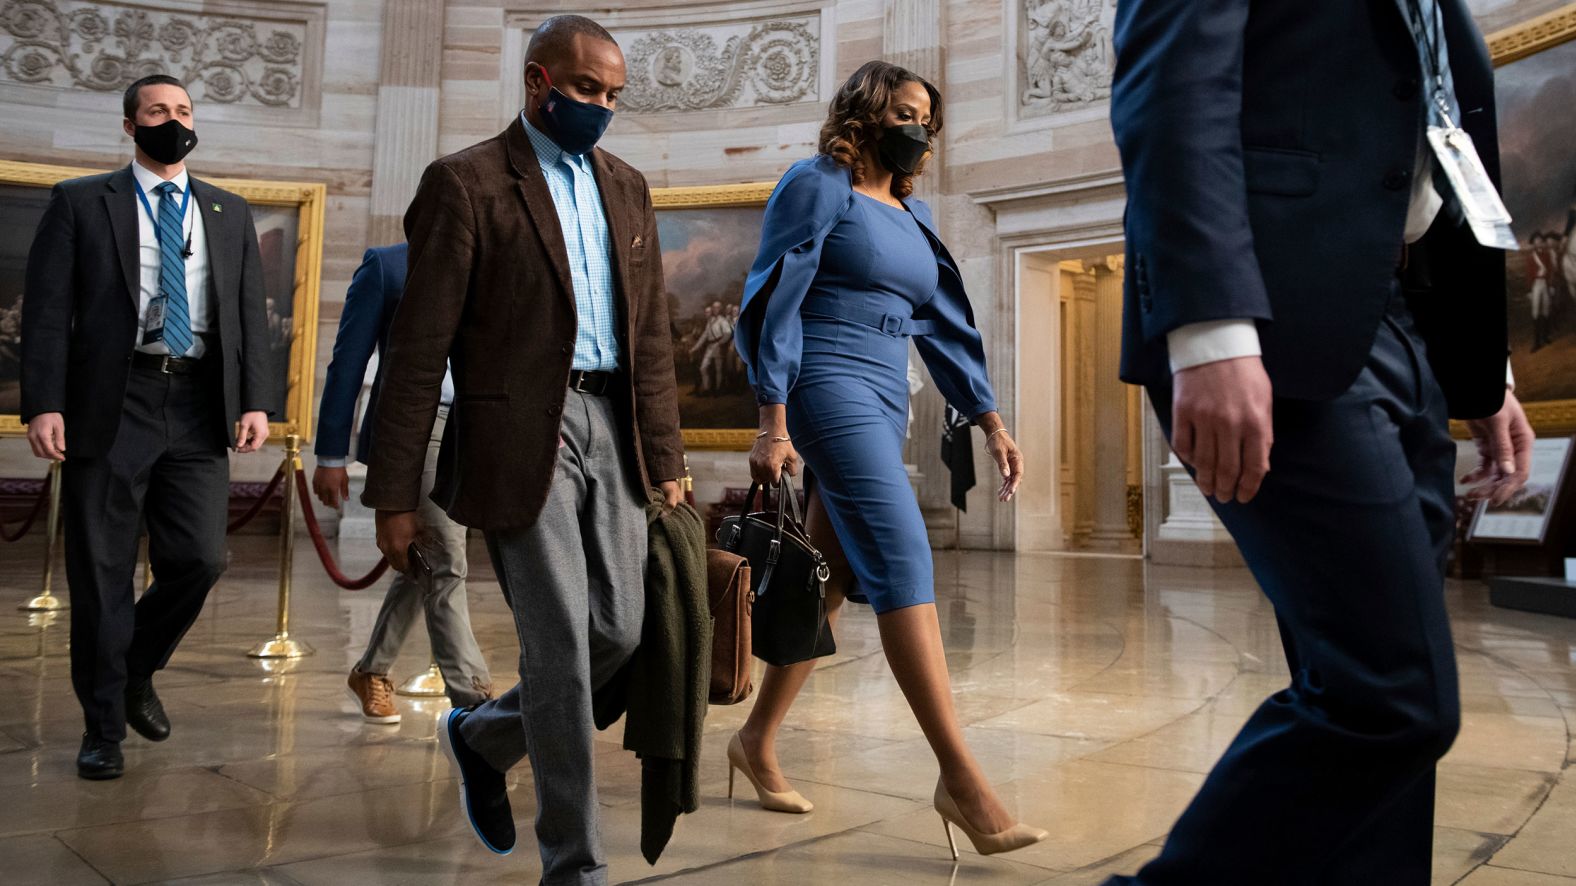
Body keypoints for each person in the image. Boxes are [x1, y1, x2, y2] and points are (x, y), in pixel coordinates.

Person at [1106, 0, 1532, 882]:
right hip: (1268, 315)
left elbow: (1437, 122)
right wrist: (1212, 326)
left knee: (1364, 694)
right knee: (1392, 697)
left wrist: (1480, 371)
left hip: (1400, 317)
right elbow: (1173, 89)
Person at [361, 15, 685, 884]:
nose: (601, 107)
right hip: (517, 439)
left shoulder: (628, 186)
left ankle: (482, 736)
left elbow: (650, 332)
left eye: (614, 95)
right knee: (563, 657)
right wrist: (395, 495)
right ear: (539, 80)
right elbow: (418, 350)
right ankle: (574, 865)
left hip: (614, 429)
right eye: (586, 89)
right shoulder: (463, 183)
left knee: (619, 629)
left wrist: (668, 454)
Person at [733, 60, 1046, 859]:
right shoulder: (818, 184)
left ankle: (756, 740)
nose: (920, 131)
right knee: (904, 553)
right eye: (906, 113)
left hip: (886, 391)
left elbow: (943, 321)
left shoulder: (912, 212)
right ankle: (960, 777)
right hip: (825, 381)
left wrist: (991, 420)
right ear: (867, 114)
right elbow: (773, 300)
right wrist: (773, 420)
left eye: (928, 121)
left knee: (831, 572)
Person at [21, 74, 276, 781]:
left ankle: (134, 667)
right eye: (158, 111)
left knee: (202, 559)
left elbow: (248, 314)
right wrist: (44, 403)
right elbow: (46, 312)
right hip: (113, 401)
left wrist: (256, 399)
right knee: (101, 574)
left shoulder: (227, 209)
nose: (174, 121)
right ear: (130, 126)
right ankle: (102, 729)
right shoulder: (80, 201)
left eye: (184, 111)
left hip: (197, 404)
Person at [313, 243, 493, 722]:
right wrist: (331, 454)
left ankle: (372, 669)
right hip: (419, 425)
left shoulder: (498, 257)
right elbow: (347, 363)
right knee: (447, 561)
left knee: (425, 559)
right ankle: (475, 703)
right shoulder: (388, 265)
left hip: (480, 428)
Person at [1528, 232, 1552, 350]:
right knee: (1536, 311)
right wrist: (1529, 290)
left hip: (1545, 284)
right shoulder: (1531, 256)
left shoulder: (1546, 255)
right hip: (1536, 284)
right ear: (1533, 242)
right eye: (1536, 240)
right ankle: (1537, 342)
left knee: (1546, 309)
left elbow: (1550, 270)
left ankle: (1546, 337)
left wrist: (1550, 285)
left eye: (1540, 240)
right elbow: (1528, 274)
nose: (1538, 242)